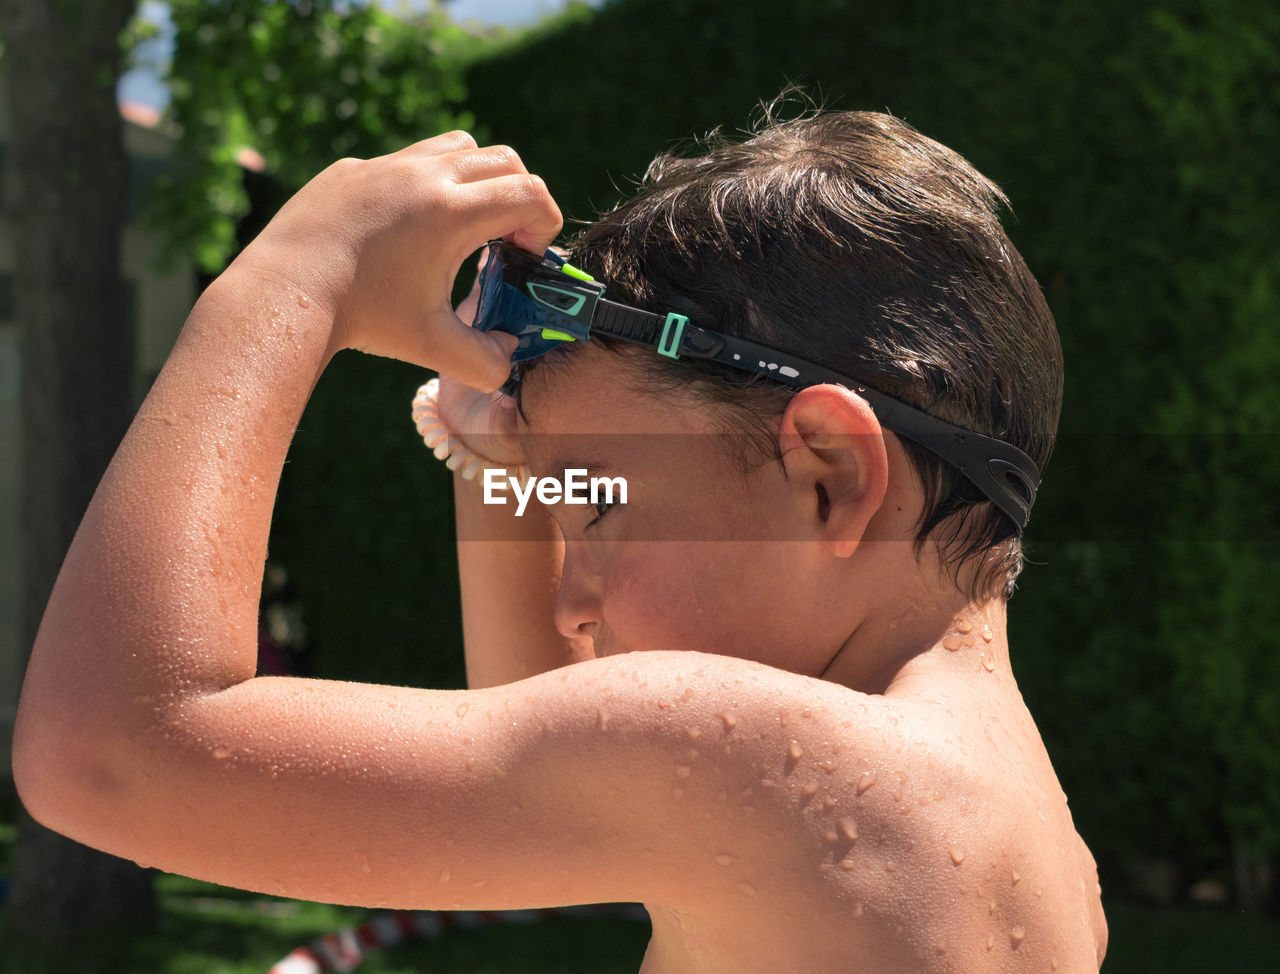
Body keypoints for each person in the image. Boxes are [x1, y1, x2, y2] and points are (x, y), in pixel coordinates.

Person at [14, 106, 1108, 971]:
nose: (572, 602)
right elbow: (545, 721)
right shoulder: (1041, 848)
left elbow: (110, 752)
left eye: (596, 508)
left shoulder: (792, 772)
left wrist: (293, 275)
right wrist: (507, 457)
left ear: (826, 476)